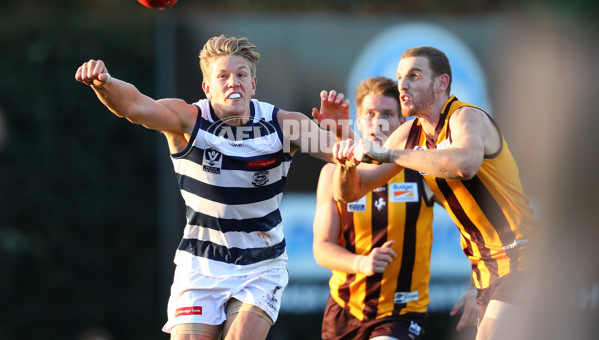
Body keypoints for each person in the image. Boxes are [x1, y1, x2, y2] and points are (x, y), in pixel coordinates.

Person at [75, 35, 349, 340]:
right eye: (223, 76)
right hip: (201, 264)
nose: (234, 82)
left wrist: (340, 130)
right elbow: (135, 106)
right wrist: (105, 83)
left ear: (253, 85)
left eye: (242, 75)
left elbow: (347, 156)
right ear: (207, 87)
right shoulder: (188, 120)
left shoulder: (284, 125)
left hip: (260, 264)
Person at [325, 46, 537, 340]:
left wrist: (389, 154)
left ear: (441, 83)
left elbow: (465, 164)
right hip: (487, 270)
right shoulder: (410, 134)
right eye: (400, 78)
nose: (402, 86)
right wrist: (344, 157)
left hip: (522, 257)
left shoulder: (465, 117)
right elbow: (352, 192)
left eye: (414, 76)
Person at [313, 76, 477, 340]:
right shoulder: (333, 173)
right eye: (370, 114)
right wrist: (361, 263)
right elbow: (322, 248)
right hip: (344, 310)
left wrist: (476, 288)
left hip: (401, 313)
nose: (378, 121)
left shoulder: (421, 170)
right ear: (358, 119)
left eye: (388, 114)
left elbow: (477, 225)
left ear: (403, 122)